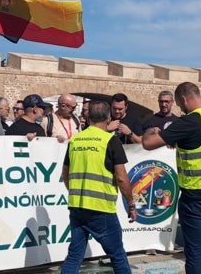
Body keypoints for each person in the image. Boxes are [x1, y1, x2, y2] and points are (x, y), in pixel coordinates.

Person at [142, 82, 201, 274]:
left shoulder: (190, 121)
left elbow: (148, 144)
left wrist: (153, 131)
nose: (179, 108)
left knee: (195, 253)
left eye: (178, 103)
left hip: (198, 195)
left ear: (183, 99)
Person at [60, 100, 136, 274]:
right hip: (101, 208)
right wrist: (131, 203)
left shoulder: (75, 141)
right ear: (108, 118)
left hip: (77, 206)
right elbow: (122, 178)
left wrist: (75, 192)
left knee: (74, 255)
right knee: (117, 254)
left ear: (88, 117)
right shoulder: (110, 140)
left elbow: (65, 174)